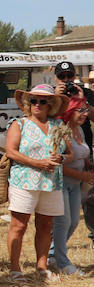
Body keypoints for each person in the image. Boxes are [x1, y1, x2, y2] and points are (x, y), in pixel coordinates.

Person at [5, 84, 71, 282]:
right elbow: (11, 151)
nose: (37, 104)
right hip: (24, 181)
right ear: (28, 103)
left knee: (45, 225)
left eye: (43, 101)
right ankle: (15, 269)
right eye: (33, 100)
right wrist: (38, 163)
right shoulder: (20, 124)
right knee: (19, 226)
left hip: (51, 183)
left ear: (50, 104)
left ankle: (41, 267)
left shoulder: (58, 127)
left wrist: (61, 159)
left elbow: (69, 152)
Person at [50, 98, 91, 275]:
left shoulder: (80, 130)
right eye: (80, 110)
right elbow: (58, 163)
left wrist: (88, 165)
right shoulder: (61, 131)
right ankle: (62, 262)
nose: (85, 114)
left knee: (73, 222)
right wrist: (83, 175)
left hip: (76, 185)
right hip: (61, 182)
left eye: (86, 109)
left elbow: (81, 155)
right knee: (63, 222)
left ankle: (52, 255)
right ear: (69, 111)